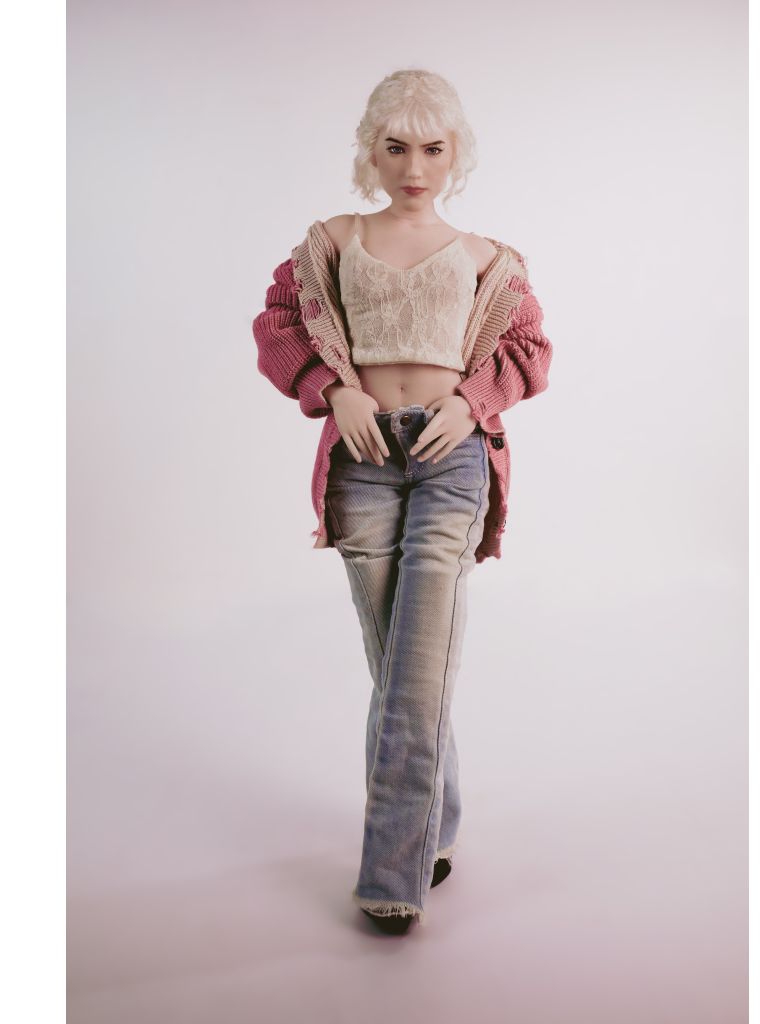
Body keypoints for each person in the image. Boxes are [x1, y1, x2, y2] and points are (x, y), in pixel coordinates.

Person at [252, 69, 553, 934]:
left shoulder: (489, 259)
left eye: (432, 148)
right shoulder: (331, 242)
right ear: (371, 152)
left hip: (453, 461)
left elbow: (530, 351)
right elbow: (277, 327)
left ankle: (392, 874)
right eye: (395, 148)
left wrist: (471, 403)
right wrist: (332, 390)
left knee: (414, 671)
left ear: (456, 154)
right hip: (363, 462)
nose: (413, 167)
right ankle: (437, 822)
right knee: (401, 669)